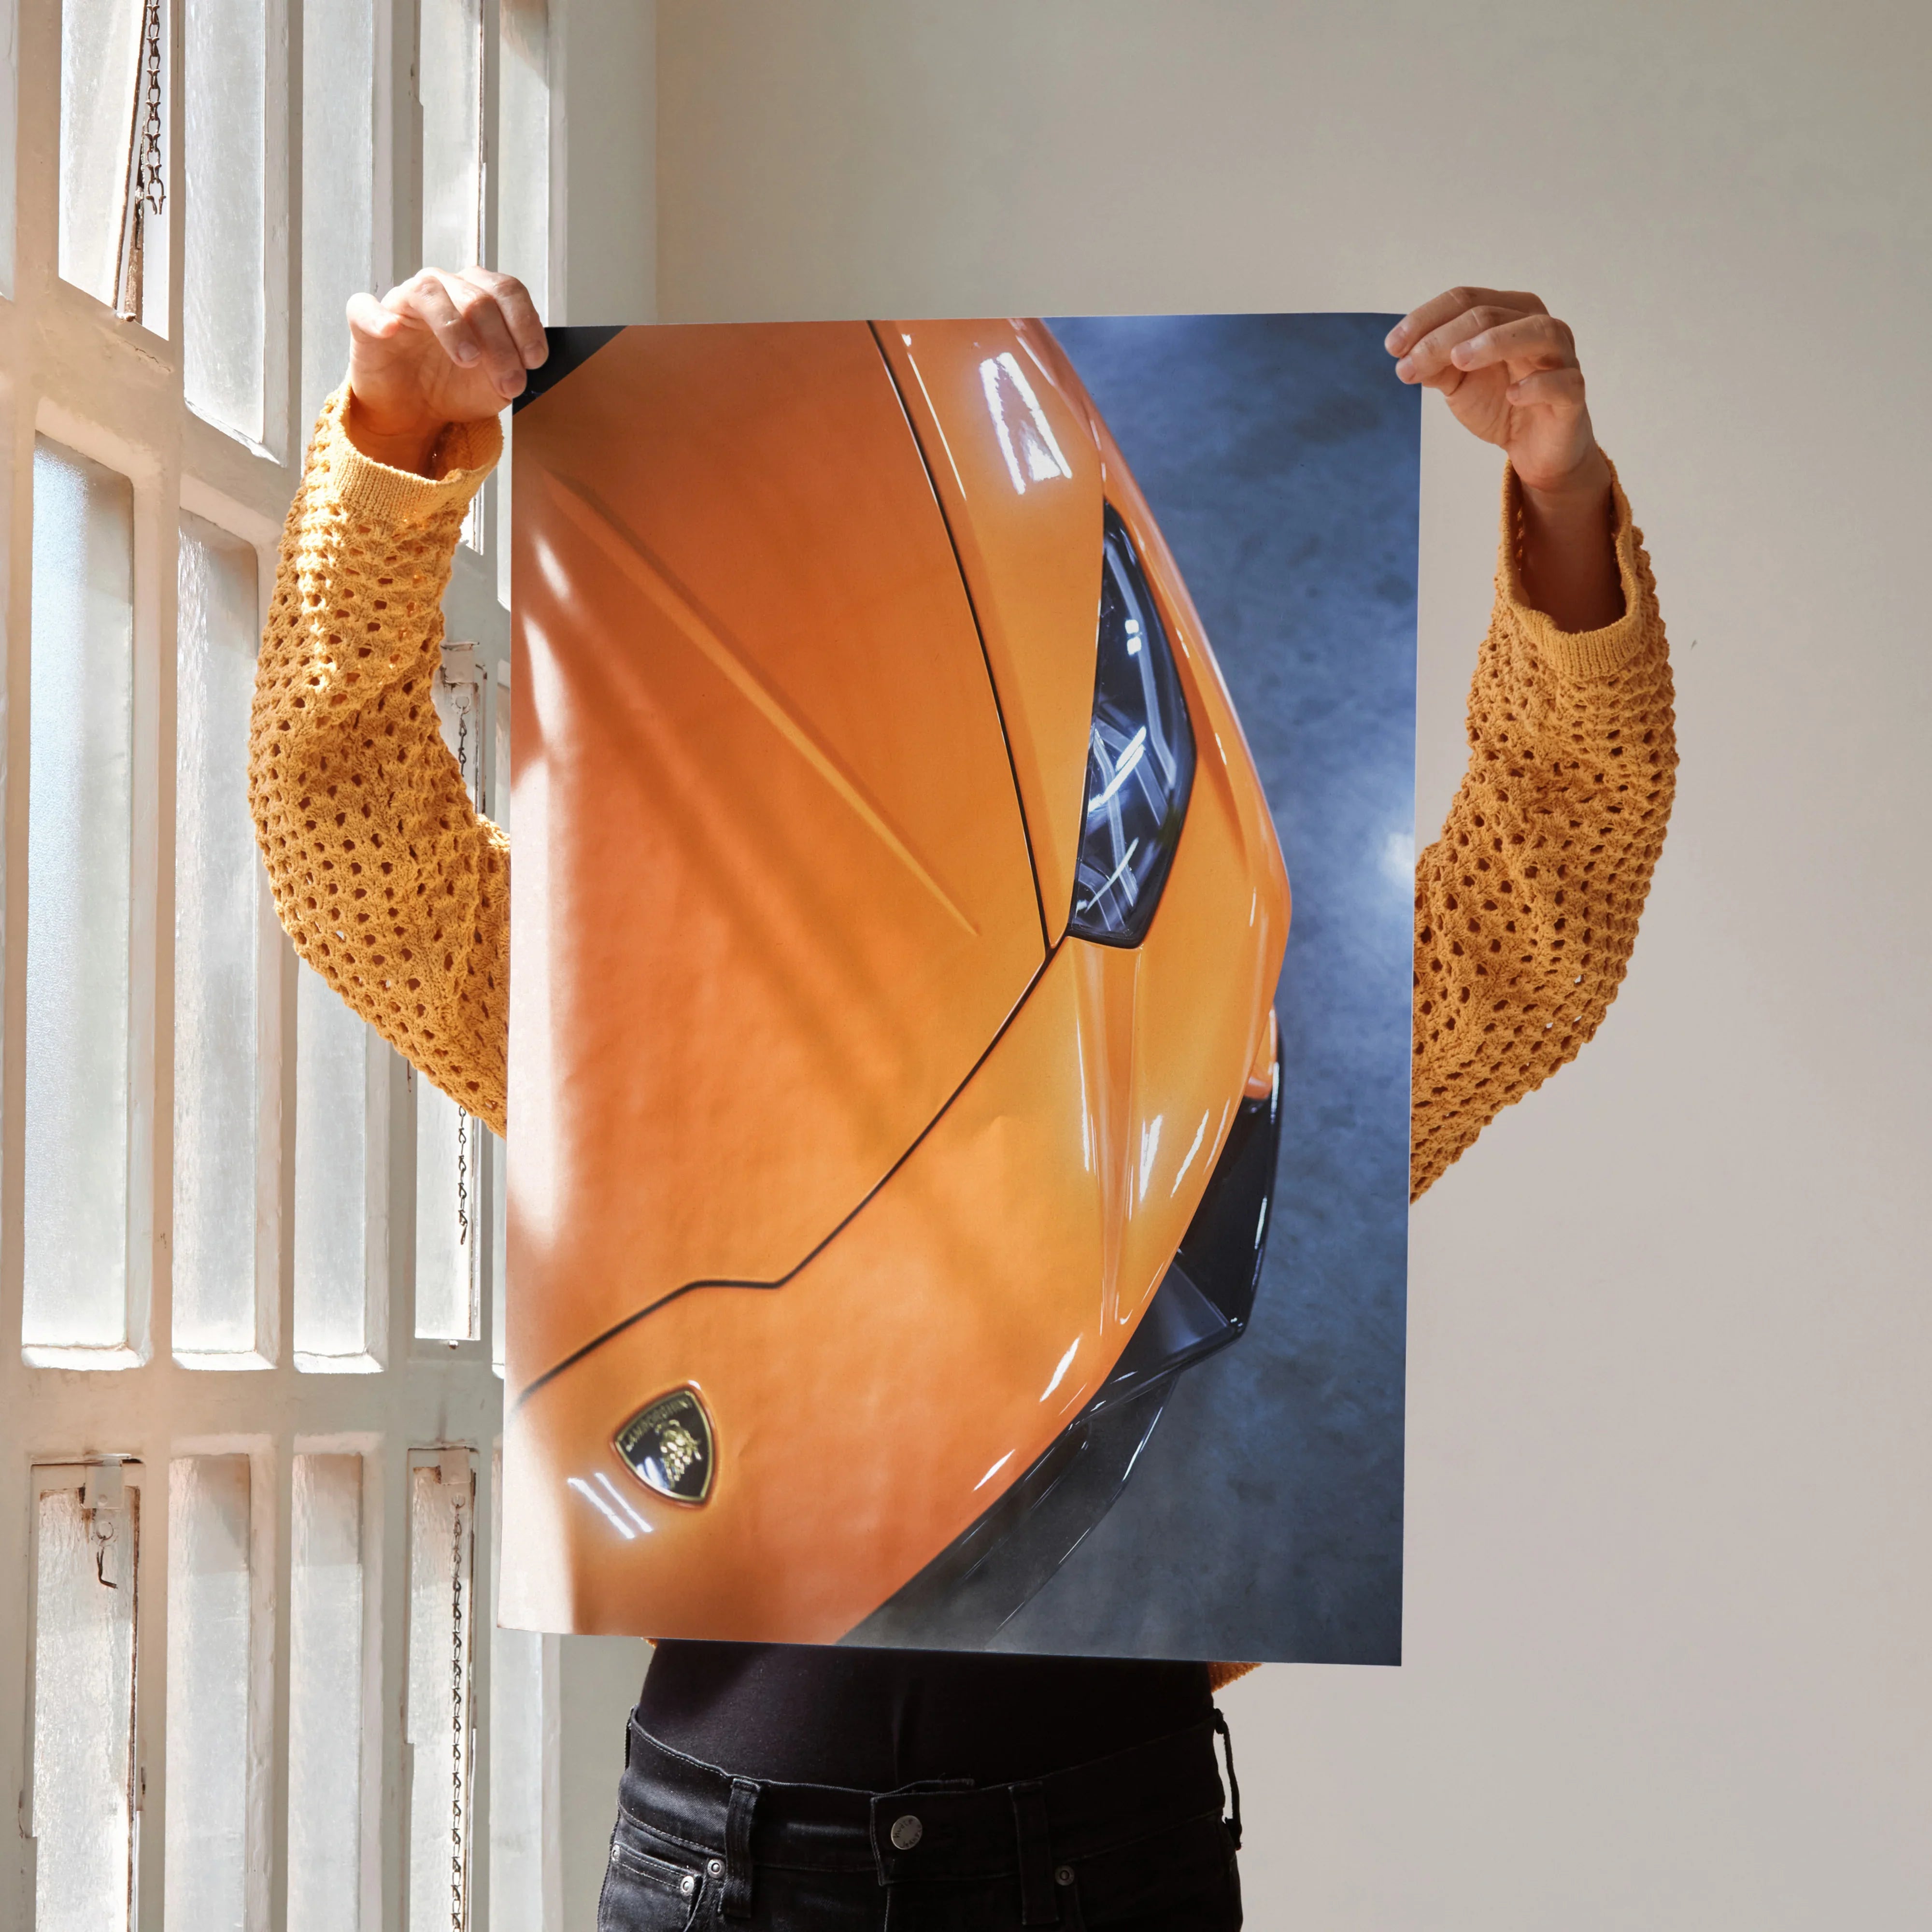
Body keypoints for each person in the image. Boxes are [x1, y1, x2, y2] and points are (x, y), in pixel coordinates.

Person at [250, 270, 1675, 1930]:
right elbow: (343, 831)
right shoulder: (621, 1036)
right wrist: (395, 446)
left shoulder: (1194, 1030)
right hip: (733, 1865)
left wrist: (1560, 500)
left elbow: (1542, 909)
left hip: (1102, 1852)